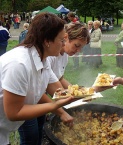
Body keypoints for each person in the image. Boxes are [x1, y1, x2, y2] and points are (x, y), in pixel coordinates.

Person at [0, 12, 75, 145]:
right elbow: (14, 112)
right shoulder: (19, 64)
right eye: (61, 40)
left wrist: (94, 90)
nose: (64, 44)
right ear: (47, 41)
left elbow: (60, 93)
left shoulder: (43, 60)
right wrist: (54, 106)